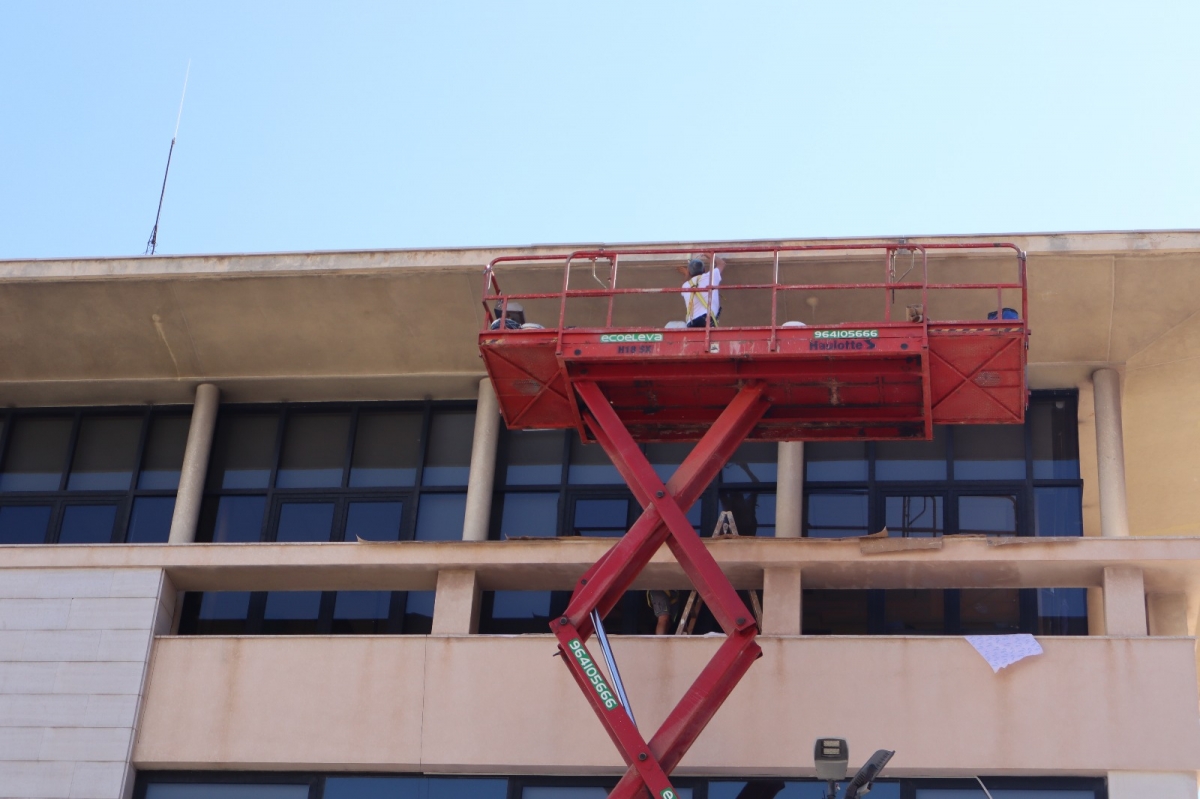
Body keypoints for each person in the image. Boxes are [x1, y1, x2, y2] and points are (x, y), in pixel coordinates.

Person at [680, 254, 726, 328]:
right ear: (704, 269)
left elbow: (683, 285)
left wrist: (686, 274)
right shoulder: (710, 277)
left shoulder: (685, 286)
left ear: (690, 273)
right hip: (706, 320)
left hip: (691, 324)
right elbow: (721, 263)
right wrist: (708, 254)